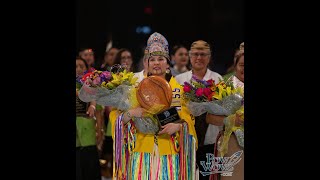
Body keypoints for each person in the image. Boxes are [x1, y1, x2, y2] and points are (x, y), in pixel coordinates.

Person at [109, 32, 197, 179]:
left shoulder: (178, 90)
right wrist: (131, 113)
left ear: (168, 64)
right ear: (146, 64)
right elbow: (116, 117)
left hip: (169, 153)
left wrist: (179, 127)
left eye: (161, 59)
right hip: (141, 152)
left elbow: (189, 119)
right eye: (153, 59)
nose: (156, 63)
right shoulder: (134, 88)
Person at [175, 40, 223, 180]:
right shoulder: (179, 79)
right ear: (190, 56)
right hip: (186, 138)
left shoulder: (217, 79)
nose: (199, 58)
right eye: (195, 54)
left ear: (209, 57)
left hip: (210, 140)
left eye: (203, 54)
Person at [206, 42, 244, 180]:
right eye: (242, 65)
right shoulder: (224, 86)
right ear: (235, 66)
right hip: (232, 144)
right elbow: (209, 117)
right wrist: (229, 120)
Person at [76, 57, 104, 180]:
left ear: (86, 69)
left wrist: (99, 133)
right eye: (75, 66)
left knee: (90, 172)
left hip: (89, 136)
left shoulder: (91, 87)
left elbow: (98, 112)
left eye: (81, 66)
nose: (78, 69)